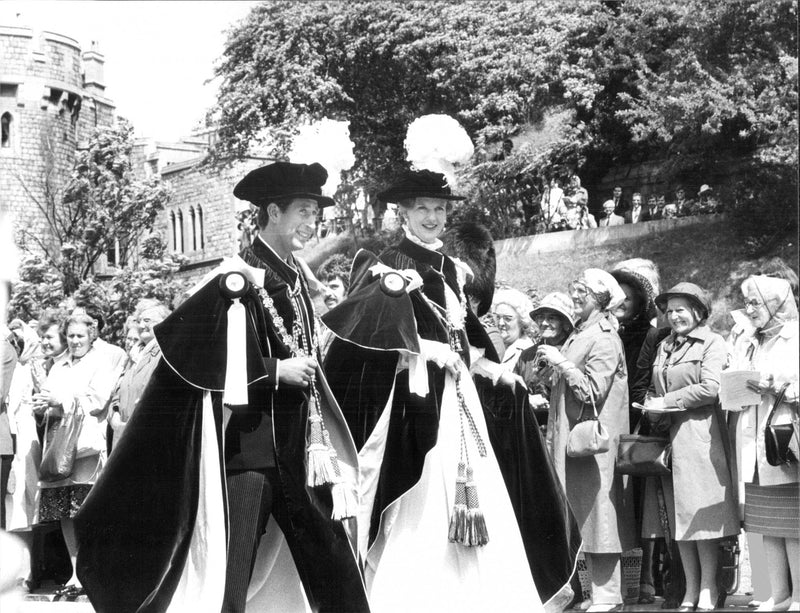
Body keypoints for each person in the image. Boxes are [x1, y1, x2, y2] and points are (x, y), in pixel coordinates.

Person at [74, 162, 369, 613]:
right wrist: (274, 371)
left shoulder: (293, 278)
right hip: (247, 455)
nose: (312, 225)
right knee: (229, 581)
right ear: (273, 211)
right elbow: (196, 353)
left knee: (336, 569)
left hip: (303, 452)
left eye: (315, 215)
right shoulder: (235, 276)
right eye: (304, 212)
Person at [323, 169, 577, 611]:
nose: (432, 217)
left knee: (478, 484)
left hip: (459, 397)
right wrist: (426, 350)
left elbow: (463, 337)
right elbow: (367, 335)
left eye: (439, 209)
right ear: (403, 213)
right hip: (413, 405)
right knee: (424, 499)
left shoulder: (450, 268)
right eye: (422, 208)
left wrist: (494, 371)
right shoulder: (383, 262)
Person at [537, 269, 633, 612]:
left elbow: (593, 390)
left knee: (599, 512)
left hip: (593, 445)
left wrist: (562, 362)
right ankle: (594, 591)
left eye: (582, 292)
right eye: (573, 290)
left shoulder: (604, 337)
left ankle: (608, 594)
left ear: (601, 298)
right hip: (573, 440)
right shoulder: (582, 333)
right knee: (582, 512)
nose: (575, 297)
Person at [644, 283, 739, 611]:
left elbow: (711, 388)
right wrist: (652, 407)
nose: (673, 316)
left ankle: (709, 589)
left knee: (703, 518)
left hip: (701, 437)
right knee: (679, 519)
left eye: (680, 309)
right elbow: (658, 383)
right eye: (669, 311)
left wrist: (667, 402)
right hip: (670, 440)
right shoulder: (665, 345)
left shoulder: (712, 342)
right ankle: (690, 588)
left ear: (698, 311)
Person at [32, 312, 119, 598]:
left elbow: (98, 399)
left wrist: (61, 400)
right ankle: (73, 572)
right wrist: (42, 405)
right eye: (70, 336)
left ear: (92, 335)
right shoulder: (60, 365)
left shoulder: (101, 362)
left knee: (85, 509)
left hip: (85, 447)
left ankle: (91, 571)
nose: (75, 341)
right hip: (59, 447)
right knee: (64, 511)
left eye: (80, 335)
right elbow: (49, 396)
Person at [727, 275, 799, 612]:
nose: (749, 309)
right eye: (748, 302)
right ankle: (779, 594)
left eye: (756, 302)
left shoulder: (795, 336)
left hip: (784, 441)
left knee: (794, 525)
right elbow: (735, 378)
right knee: (767, 523)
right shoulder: (749, 340)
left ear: (775, 303)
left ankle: (799, 596)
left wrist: (778, 388)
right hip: (753, 441)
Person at [609, 259, 661, 605]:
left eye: (629, 298)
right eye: (618, 297)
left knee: (642, 505)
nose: (622, 304)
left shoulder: (649, 334)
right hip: (608, 425)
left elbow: (641, 384)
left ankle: (644, 578)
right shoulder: (606, 330)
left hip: (635, 426)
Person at [107, 300, 171, 451]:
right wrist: (115, 416)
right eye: (139, 320)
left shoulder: (165, 354)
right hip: (123, 436)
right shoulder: (134, 356)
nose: (141, 325)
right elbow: (117, 392)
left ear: (164, 322)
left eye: (147, 320)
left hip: (148, 436)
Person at [514, 292, 575, 426]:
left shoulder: (573, 354)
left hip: (563, 428)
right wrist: (526, 400)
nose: (544, 323)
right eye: (540, 317)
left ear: (565, 323)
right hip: (532, 430)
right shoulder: (527, 356)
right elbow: (513, 391)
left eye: (552, 318)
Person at [471, 288, 534, 386]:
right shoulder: (494, 342)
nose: (500, 323)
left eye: (507, 318)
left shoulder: (527, 351)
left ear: (521, 321)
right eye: (497, 317)